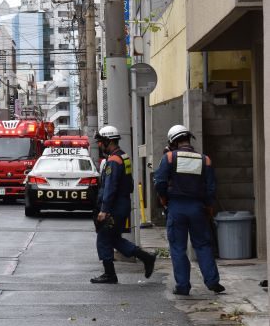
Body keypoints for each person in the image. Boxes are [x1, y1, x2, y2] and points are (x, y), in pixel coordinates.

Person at [154, 125, 224, 295]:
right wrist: (208, 207)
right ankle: (212, 281)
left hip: (176, 206)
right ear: (188, 139)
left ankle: (183, 286)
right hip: (198, 207)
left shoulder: (169, 158)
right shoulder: (204, 159)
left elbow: (160, 182)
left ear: (173, 141)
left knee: (178, 247)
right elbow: (211, 188)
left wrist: (163, 199)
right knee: (203, 245)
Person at [91, 125, 157, 284]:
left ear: (108, 141)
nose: (99, 145)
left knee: (104, 239)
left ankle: (110, 274)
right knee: (115, 240)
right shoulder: (123, 157)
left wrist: (104, 210)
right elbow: (130, 184)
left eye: (101, 142)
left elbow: (110, 187)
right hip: (122, 204)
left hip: (113, 207)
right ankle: (146, 258)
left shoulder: (114, 161)